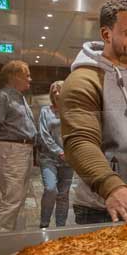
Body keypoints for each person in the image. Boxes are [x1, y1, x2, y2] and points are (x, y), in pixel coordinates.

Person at [60, 0, 127, 224]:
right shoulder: (84, 80)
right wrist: (111, 187)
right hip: (104, 207)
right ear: (106, 35)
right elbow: (79, 141)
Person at [0, 60, 37, 231]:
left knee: (16, 196)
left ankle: (7, 232)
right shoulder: (2, 96)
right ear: (14, 76)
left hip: (23, 150)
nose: (30, 79)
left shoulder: (20, 97)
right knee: (13, 198)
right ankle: (2, 238)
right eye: (26, 75)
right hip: (10, 150)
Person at [37, 81, 73, 228]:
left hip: (69, 159)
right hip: (49, 158)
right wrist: (59, 151)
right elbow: (44, 134)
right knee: (50, 189)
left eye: (59, 90)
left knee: (63, 195)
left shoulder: (72, 111)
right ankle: (44, 225)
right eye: (54, 91)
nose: (57, 93)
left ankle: (60, 228)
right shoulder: (45, 111)